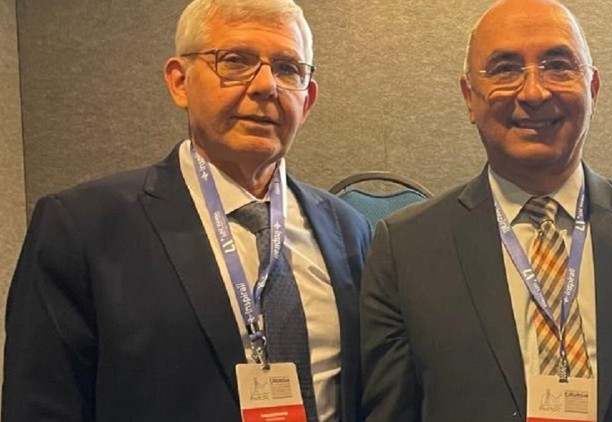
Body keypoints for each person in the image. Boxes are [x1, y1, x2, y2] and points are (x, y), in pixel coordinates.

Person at [3, 1, 371, 421]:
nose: (266, 85)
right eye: (236, 61)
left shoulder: (349, 229)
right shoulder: (82, 228)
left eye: (288, 69)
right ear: (180, 82)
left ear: (307, 101)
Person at [360, 0, 612, 421]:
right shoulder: (405, 250)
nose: (534, 92)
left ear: (592, 89)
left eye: (558, 66)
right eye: (505, 69)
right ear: (469, 98)